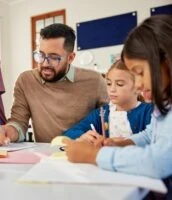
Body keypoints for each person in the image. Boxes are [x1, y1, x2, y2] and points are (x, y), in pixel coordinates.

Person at [63, 15, 172, 197]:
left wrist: (94, 156)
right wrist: (120, 144)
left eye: (139, 73)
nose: (138, 85)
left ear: (167, 61)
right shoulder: (105, 112)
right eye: (109, 83)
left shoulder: (148, 108)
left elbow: (159, 161)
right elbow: (151, 134)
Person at [0, 23, 108, 146]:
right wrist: (7, 131)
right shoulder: (26, 80)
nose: (45, 63)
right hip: (46, 157)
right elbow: (19, 122)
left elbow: (110, 119)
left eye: (54, 57)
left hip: (84, 154)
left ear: (71, 58)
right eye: (41, 55)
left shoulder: (95, 81)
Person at [63, 60, 152, 141]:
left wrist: (125, 142)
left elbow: (157, 141)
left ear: (138, 86)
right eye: (109, 83)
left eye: (120, 84)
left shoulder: (149, 111)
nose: (112, 89)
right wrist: (82, 136)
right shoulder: (102, 112)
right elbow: (69, 133)